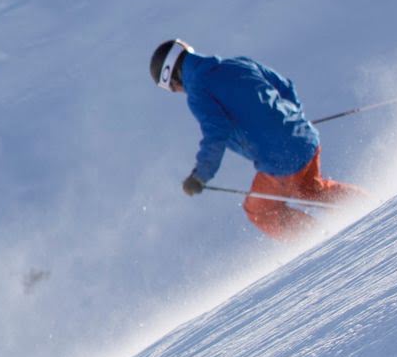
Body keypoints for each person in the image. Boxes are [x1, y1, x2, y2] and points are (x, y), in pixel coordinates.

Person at [150, 39, 360, 239]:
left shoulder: (198, 92)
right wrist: (290, 119)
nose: (178, 91)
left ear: (173, 76)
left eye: (172, 88)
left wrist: (200, 176)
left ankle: (320, 240)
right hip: (305, 138)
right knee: (311, 190)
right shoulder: (239, 63)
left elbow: (216, 132)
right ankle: (367, 205)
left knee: (260, 210)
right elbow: (286, 86)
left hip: (280, 160)